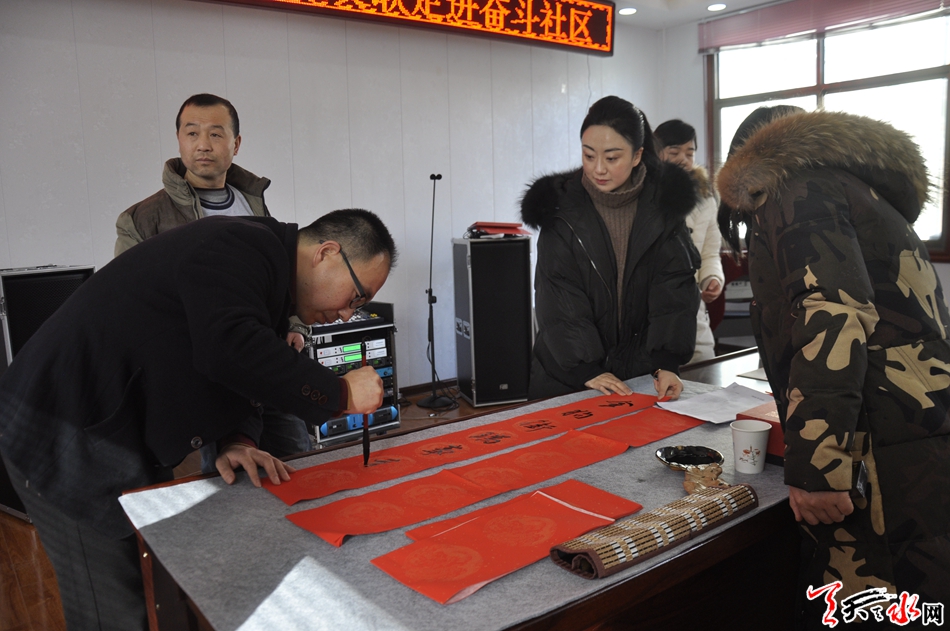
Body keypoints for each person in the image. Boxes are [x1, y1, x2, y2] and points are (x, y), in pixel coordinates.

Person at [0, 209, 396, 630]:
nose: (348, 315)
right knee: (116, 605)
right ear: (327, 253)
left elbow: (227, 365)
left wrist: (237, 438)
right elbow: (229, 347)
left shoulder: (263, 270)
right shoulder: (242, 245)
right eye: (356, 297)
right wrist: (340, 393)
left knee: (150, 581)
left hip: (113, 428)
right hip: (61, 431)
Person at [717, 106, 950, 625]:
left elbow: (833, 317)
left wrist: (819, 467)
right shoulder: (845, 186)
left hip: (877, 446)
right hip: (910, 428)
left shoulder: (793, 190)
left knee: (875, 604)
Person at [115, 93, 312, 464]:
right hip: (207, 375)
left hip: (267, 359)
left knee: (297, 458)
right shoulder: (142, 219)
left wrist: (297, 325)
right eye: (192, 133)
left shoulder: (254, 203)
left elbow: (281, 276)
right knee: (230, 473)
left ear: (235, 144)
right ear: (179, 141)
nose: (203, 144)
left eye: (216, 134)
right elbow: (130, 306)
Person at [520, 95, 700, 401]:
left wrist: (667, 363)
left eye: (612, 158)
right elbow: (559, 296)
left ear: (637, 155)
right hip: (568, 377)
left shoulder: (664, 208)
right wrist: (586, 368)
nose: (598, 169)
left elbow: (673, 292)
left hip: (640, 378)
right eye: (589, 156)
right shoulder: (559, 209)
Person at [654, 119, 724, 363]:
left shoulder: (705, 199)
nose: (683, 160)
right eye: (674, 153)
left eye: (690, 153)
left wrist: (712, 277)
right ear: (656, 152)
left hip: (692, 303)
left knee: (703, 365)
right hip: (653, 307)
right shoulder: (645, 197)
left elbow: (710, 253)